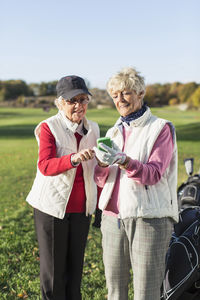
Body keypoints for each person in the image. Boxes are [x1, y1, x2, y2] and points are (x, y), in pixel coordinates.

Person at [93, 67, 179, 300]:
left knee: (146, 292)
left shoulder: (161, 128)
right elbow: (102, 180)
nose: (120, 100)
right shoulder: (112, 132)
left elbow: (153, 174)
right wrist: (101, 164)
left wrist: (124, 161)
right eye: (115, 95)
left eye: (126, 93)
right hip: (112, 219)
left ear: (140, 94)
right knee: (115, 290)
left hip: (149, 218)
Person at [26, 75, 100, 300]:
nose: (79, 105)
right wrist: (73, 159)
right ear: (60, 103)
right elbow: (45, 165)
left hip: (81, 209)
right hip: (52, 208)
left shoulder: (94, 128)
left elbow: (97, 169)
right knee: (54, 274)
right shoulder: (49, 127)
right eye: (72, 101)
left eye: (83, 99)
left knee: (75, 271)